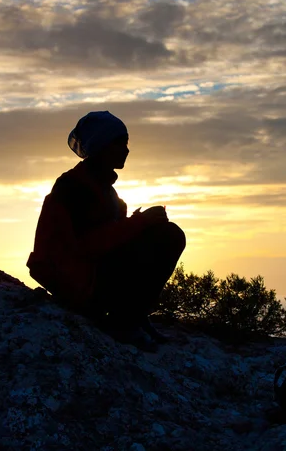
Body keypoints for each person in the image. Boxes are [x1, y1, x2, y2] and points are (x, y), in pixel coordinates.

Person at [26, 110, 186, 351]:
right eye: (119, 142)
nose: (126, 149)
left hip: (89, 276)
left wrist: (141, 223)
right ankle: (124, 322)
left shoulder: (103, 188)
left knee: (166, 234)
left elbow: (111, 235)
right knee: (168, 236)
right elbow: (85, 246)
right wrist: (141, 223)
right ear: (100, 145)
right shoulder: (74, 187)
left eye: (126, 142)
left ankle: (133, 316)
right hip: (75, 281)